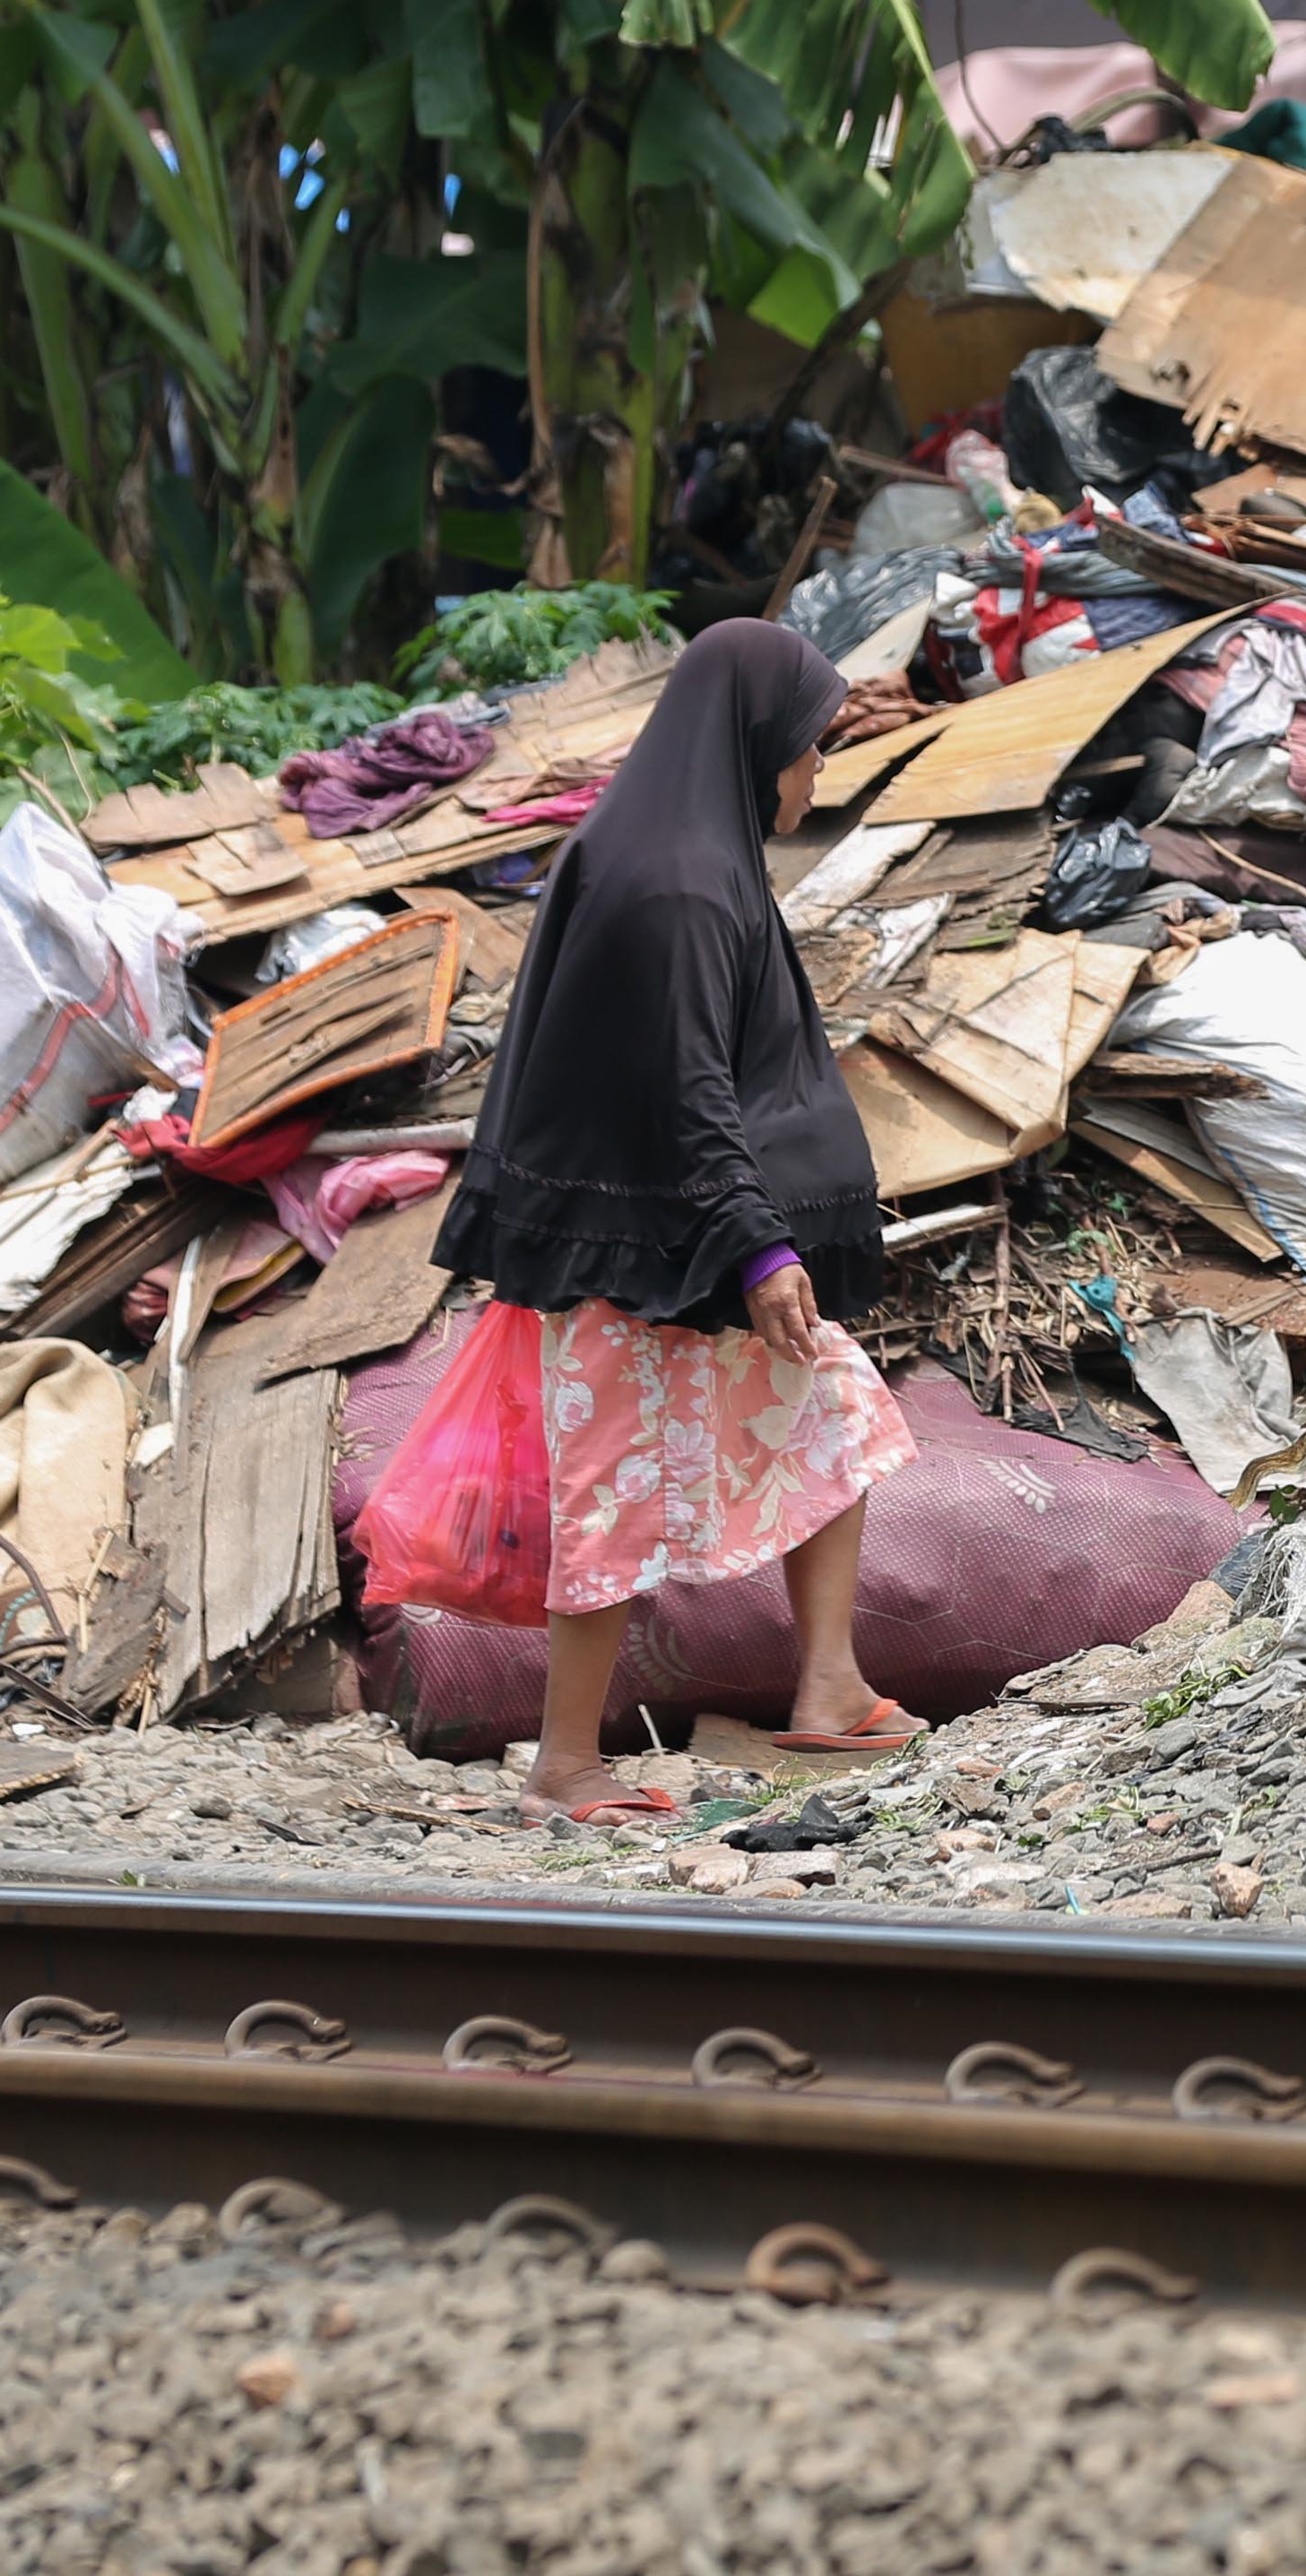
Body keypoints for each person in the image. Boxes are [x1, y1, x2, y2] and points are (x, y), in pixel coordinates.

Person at [430, 618, 921, 1821]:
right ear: (753, 745)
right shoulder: (686, 882)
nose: (813, 778)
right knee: (612, 1483)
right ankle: (565, 1764)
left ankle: (828, 1686)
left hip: (667, 1228)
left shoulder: (669, 845)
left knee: (834, 1409)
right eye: (806, 753)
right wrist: (754, 1240)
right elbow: (688, 1083)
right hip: (649, 1246)